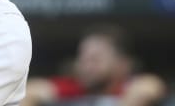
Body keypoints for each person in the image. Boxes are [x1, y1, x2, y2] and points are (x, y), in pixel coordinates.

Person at [22, 24, 167, 106]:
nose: (86, 67)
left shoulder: (130, 86)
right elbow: (31, 92)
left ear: (122, 64)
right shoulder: (73, 87)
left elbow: (150, 87)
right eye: (83, 59)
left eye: (95, 60)